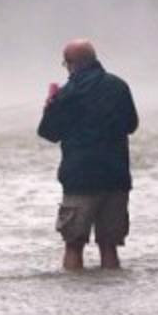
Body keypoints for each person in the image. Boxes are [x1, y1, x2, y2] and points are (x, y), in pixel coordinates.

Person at [37, 39, 139, 270]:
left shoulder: (66, 94)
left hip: (79, 179)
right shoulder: (118, 86)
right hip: (115, 177)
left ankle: (76, 302)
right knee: (109, 245)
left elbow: (48, 133)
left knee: (73, 244)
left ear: (71, 64)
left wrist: (49, 108)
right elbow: (132, 125)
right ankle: (111, 298)